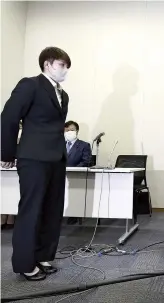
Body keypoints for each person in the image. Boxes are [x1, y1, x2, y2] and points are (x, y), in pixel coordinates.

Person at [1, 46, 71, 281]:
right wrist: (7, 153)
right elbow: (9, 117)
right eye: (62, 65)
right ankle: (24, 264)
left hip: (56, 159)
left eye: (67, 66)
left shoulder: (64, 94)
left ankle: (43, 256)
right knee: (31, 211)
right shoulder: (30, 84)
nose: (66, 70)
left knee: (52, 211)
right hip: (33, 158)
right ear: (48, 64)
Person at [64, 120, 91, 224]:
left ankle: (74, 214)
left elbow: (86, 161)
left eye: (72, 130)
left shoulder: (84, 145)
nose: (69, 132)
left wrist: (73, 170)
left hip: (76, 175)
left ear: (77, 131)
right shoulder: (59, 144)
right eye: (67, 130)